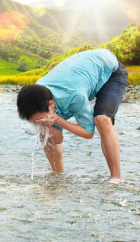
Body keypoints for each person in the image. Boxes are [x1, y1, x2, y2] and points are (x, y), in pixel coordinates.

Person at [17, 48, 128, 179]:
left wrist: (58, 120)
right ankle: (58, 175)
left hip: (110, 72)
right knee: (44, 129)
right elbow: (57, 138)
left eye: (39, 119)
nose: (37, 122)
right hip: (82, 74)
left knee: (101, 119)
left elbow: (88, 133)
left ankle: (116, 179)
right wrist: (44, 125)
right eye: (34, 121)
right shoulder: (34, 96)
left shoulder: (74, 95)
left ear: (51, 104)